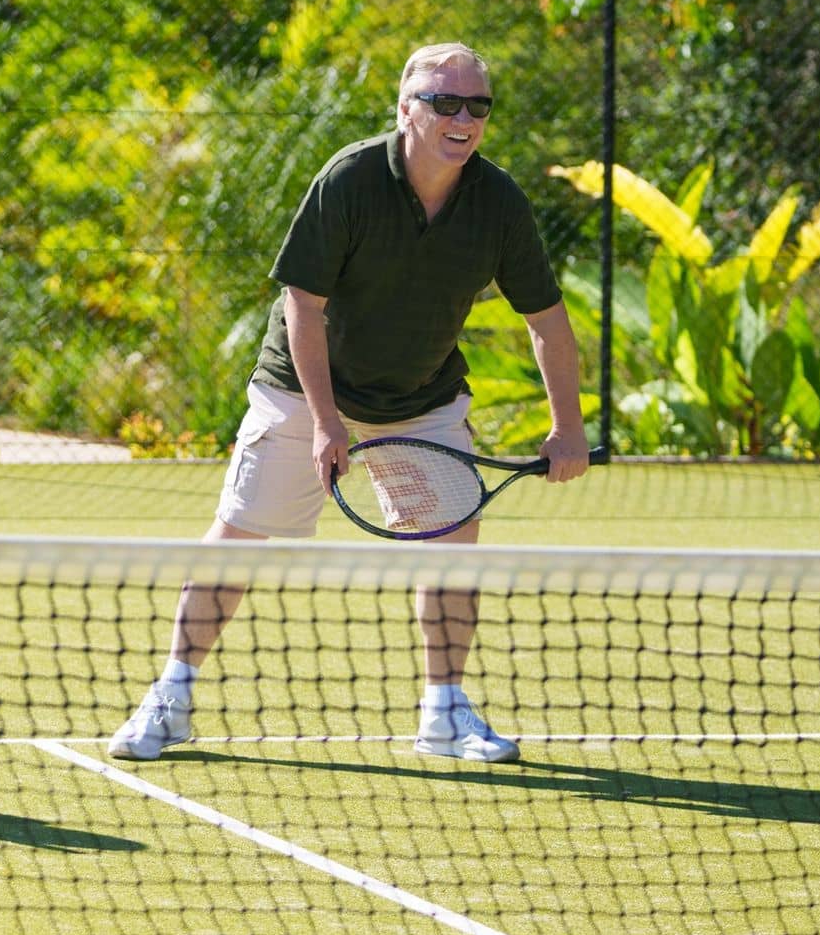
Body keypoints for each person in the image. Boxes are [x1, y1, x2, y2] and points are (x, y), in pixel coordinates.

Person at [107, 42, 591, 765]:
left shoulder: (498, 202)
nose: (463, 117)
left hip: (421, 397)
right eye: (444, 101)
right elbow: (302, 304)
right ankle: (171, 698)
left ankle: (444, 712)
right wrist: (326, 422)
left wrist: (568, 428)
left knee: (456, 546)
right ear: (406, 109)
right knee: (239, 531)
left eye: (478, 105)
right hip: (304, 385)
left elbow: (548, 321)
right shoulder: (351, 177)